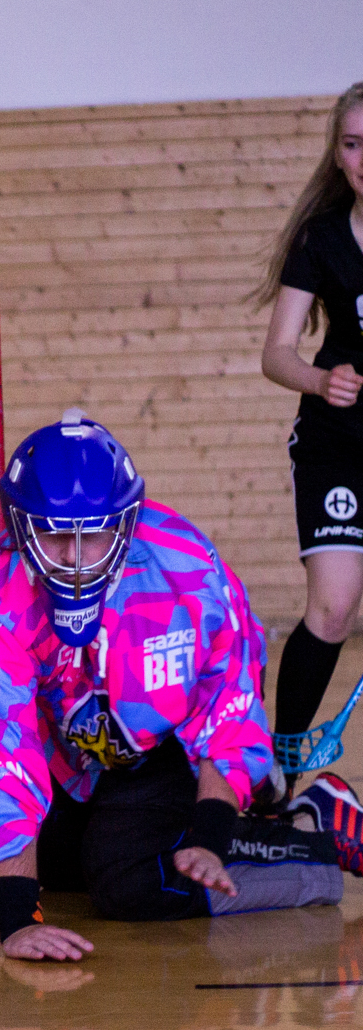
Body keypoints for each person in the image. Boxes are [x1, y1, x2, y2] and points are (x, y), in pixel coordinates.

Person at [0, 411, 363, 964]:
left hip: (170, 746)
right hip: (80, 759)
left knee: (129, 880)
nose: (73, 559)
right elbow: (5, 752)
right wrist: (18, 920)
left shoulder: (186, 570)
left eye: (92, 535)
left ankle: (315, 832)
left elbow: (227, 710)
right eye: (54, 536)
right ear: (22, 528)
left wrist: (209, 838)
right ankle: (250, 816)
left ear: (124, 526)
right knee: (51, 865)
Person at [257, 82, 363, 786]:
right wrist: (322, 382)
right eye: (352, 144)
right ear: (337, 153)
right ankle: (276, 773)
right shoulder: (321, 238)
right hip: (337, 444)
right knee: (332, 606)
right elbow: (277, 354)